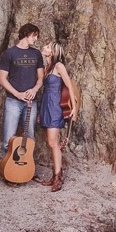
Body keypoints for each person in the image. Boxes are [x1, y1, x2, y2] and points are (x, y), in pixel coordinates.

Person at [35, 41, 77, 192]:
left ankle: (58, 178)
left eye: (47, 47)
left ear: (52, 52)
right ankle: (55, 176)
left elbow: (69, 86)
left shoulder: (59, 66)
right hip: (46, 105)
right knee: (52, 143)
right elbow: (44, 91)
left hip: (55, 107)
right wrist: (40, 112)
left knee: (53, 143)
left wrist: (74, 109)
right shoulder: (47, 68)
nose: (44, 48)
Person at [0, 23, 44, 157]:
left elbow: (41, 77)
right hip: (13, 101)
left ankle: (27, 169)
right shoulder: (9, 53)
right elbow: (2, 78)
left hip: (31, 102)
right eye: (34, 36)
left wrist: (34, 90)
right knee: (8, 138)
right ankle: (6, 169)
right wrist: (17, 94)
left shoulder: (36, 54)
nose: (36, 39)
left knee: (30, 138)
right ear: (26, 34)